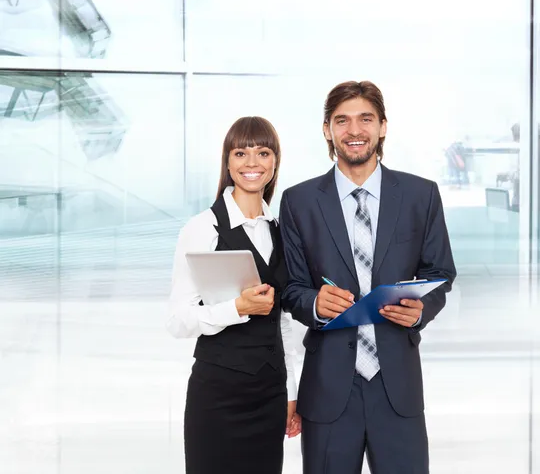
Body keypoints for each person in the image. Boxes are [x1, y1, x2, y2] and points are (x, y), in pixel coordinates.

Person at [279, 81, 457, 474]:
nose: (354, 131)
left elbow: (440, 272)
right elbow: (289, 287)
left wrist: (420, 310)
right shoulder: (299, 201)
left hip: (397, 385)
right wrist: (312, 303)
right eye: (342, 120)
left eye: (365, 119)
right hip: (327, 389)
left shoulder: (419, 195)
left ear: (383, 126)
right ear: (327, 129)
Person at [167, 116, 301, 474]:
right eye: (241, 153)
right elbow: (178, 321)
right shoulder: (202, 229)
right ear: (227, 162)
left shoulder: (282, 232)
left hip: (270, 395)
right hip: (218, 396)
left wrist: (290, 391)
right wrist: (236, 308)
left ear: (275, 162)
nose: (252, 163)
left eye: (263, 152)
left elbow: (282, 322)